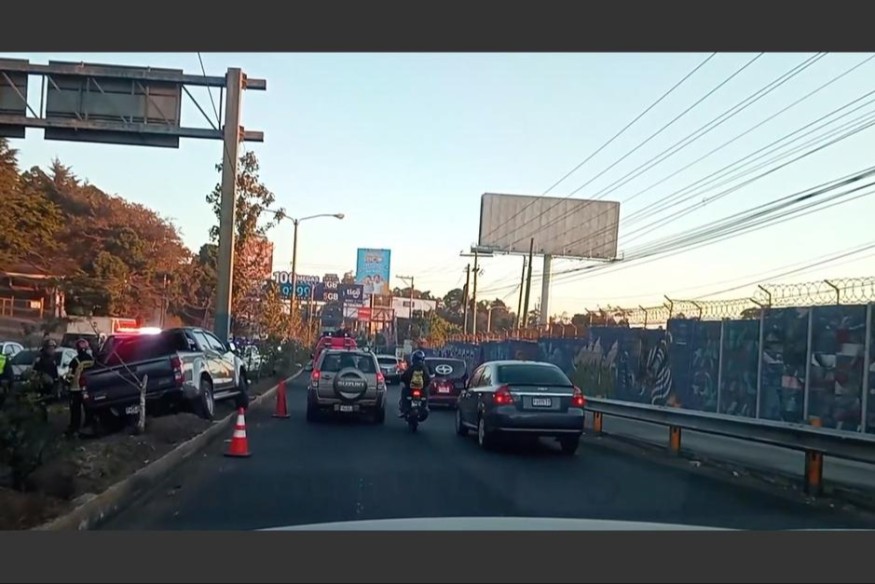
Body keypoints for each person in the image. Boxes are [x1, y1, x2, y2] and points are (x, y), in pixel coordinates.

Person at [66, 338, 95, 438]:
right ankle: (89, 425)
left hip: (75, 389)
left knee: (75, 411)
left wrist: (66, 382)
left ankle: (74, 428)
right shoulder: (91, 360)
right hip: (87, 389)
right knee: (88, 409)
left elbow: (70, 376)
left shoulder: (74, 361)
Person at [398, 350, 430, 417]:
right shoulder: (424, 368)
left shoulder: (411, 367)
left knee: (404, 391)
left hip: (411, 389)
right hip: (420, 389)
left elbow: (404, 376)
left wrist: (403, 380)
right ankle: (425, 406)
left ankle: (404, 408)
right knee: (426, 392)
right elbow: (428, 379)